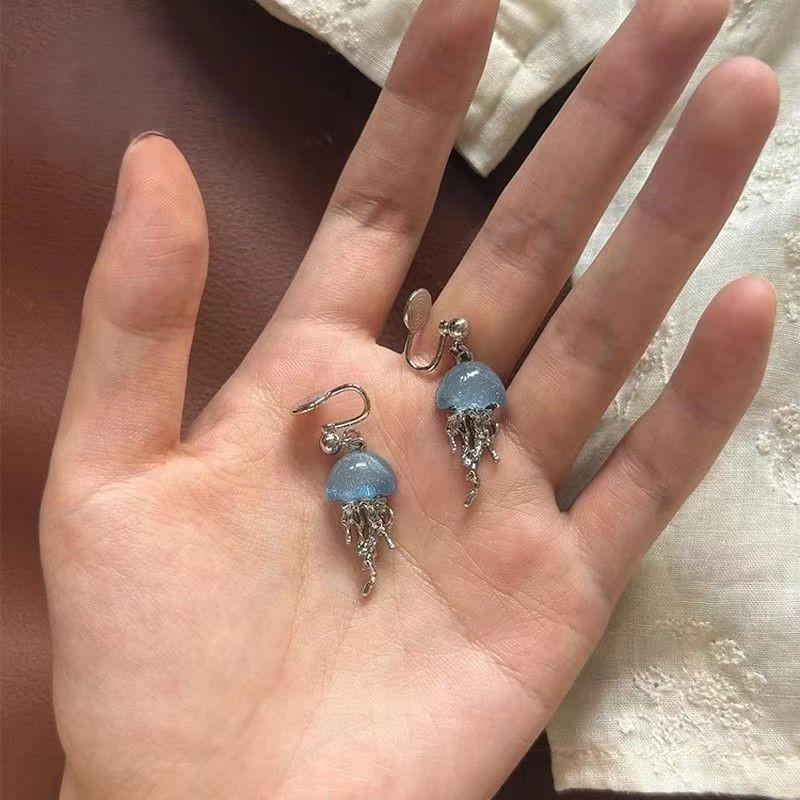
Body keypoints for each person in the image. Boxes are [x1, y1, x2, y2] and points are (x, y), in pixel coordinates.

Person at [40, 0, 779, 796]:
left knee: (424, 483)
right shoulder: (368, 449)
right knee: (395, 509)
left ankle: (416, 514)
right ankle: (401, 529)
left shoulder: (428, 407)